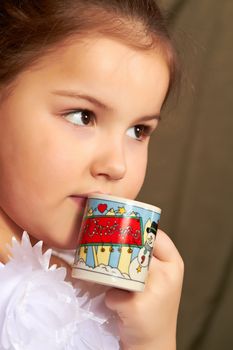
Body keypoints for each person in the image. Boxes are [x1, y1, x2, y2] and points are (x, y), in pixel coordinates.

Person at [0, 1, 184, 349]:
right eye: (83, 116)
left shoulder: (107, 300)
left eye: (138, 131)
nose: (117, 166)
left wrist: (153, 339)